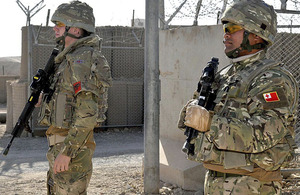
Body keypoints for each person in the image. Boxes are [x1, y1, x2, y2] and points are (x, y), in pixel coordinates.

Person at [178, 0, 299, 194]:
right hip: (216, 178)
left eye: (233, 28)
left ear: (257, 35)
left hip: (252, 183)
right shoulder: (226, 74)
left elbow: (265, 134)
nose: (226, 34)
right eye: (225, 27)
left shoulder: (271, 79)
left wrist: (210, 123)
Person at [36, 1, 112, 194]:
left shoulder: (83, 59)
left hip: (72, 150)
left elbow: (87, 112)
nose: (55, 28)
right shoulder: (67, 58)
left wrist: (67, 152)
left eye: (60, 24)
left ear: (76, 30)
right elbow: (68, 99)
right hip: (61, 145)